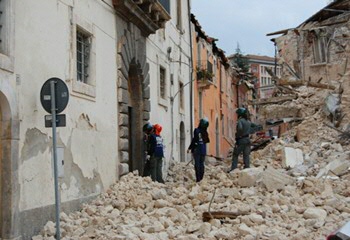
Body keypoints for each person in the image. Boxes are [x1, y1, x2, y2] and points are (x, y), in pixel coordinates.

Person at [228, 107, 259, 172]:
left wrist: (238, 135)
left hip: (241, 140)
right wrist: (250, 131)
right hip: (248, 140)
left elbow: (240, 128)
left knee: (235, 154)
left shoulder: (240, 121)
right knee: (246, 155)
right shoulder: (248, 121)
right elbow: (256, 126)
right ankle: (247, 169)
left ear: (239, 114)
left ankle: (233, 169)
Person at [187, 118, 210, 182]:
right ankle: (201, 177)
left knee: (197, 164)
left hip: (197, 150)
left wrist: (190, 148)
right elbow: (207, 140)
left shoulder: (196, 130)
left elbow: (194, 140)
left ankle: (198, 179)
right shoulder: (205, 132)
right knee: (202, 164)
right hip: (203, 150)